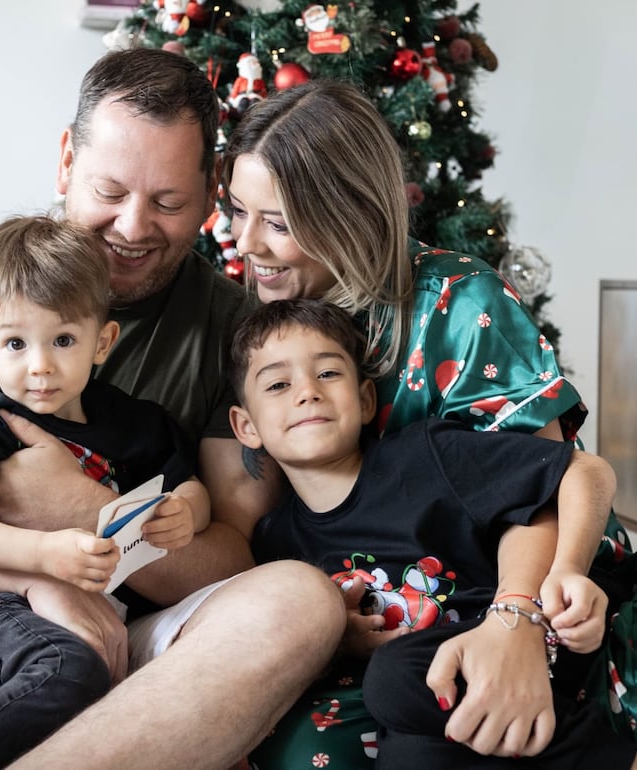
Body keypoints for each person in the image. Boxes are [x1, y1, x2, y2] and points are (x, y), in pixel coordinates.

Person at [0, 48, 346, 770]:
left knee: (299, 602)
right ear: (67, 161)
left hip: (139, 630)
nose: (131, 226)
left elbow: (223, 557)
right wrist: (36, 576)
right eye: (110, 190)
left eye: (168, 201)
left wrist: (87, 512)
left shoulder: (235, 330)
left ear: (210, 193)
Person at [221, 78, 634, 765]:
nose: (243, 242)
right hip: (401, 619)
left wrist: (518, 623)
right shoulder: (262, 329)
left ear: (350, 215)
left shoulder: (461, 301)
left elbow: (543, 495)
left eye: (279, 222)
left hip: (527, 593)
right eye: (237, 209)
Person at [227, 297, 636, 768]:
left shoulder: (425, 457)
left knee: (393, 674)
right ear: (246, 426)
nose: (307, 392)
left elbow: (586, 471)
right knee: (405, 754)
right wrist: (341, 639)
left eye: (328, 373)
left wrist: (565, 571)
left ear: (364, 400)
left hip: (524, 643)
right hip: (434, 706)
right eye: (279, 384)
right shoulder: (277, 546)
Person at [0, 214, 213, 768]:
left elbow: (190, 489)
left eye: (62, 339)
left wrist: (184, 514)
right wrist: (41, 555)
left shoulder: (133, 421)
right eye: (15, 343)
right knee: (69, 670)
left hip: (111, 610)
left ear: (101, 341)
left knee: (112, 697)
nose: (41, 366)